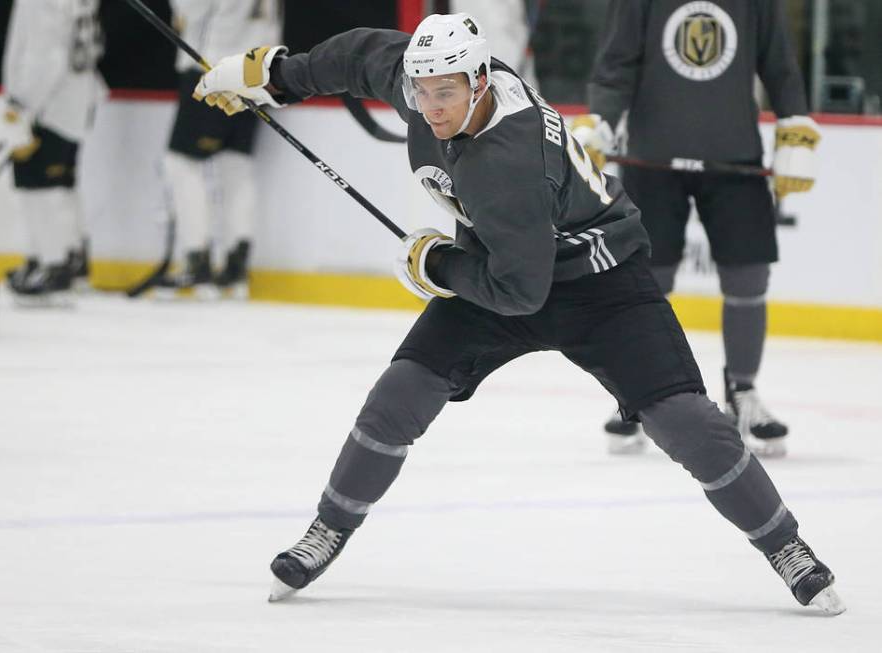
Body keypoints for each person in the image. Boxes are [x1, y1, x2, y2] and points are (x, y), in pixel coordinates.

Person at [192, 13, 844, 614]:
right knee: (398, 396)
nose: (431, 107)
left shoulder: (510, 162)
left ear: (480, 81)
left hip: (599, 283)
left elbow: (520, 293)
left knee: (689, 424)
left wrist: (435, 266)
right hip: (504, 266)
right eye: (422, 92)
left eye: (446, 94)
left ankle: (787, 546)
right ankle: (324, 532)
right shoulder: (426, 79)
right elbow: (360, 56)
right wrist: (271, 74)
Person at [571, 0, 819, 458]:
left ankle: (743, 393)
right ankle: (639, 394)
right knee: (646, 281)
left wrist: (795, 126)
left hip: (734, 158)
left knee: (748, 274)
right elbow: (617, 65)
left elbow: (779, 64)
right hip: (653, 157)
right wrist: (601, 121)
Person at [157, 0, 280, 298]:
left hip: (215, 66)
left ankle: (195, 260)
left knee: (181, 163)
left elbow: (192, 10)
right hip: (258, 69)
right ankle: (234, 268)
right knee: (235, 164)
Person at [1, 0, 103, 305]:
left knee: (40, 187)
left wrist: (23, 104)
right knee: (61, 184)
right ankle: (66, 258)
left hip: (49, 104)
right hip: (75, 96)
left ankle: (54, 265)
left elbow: (46, 56)